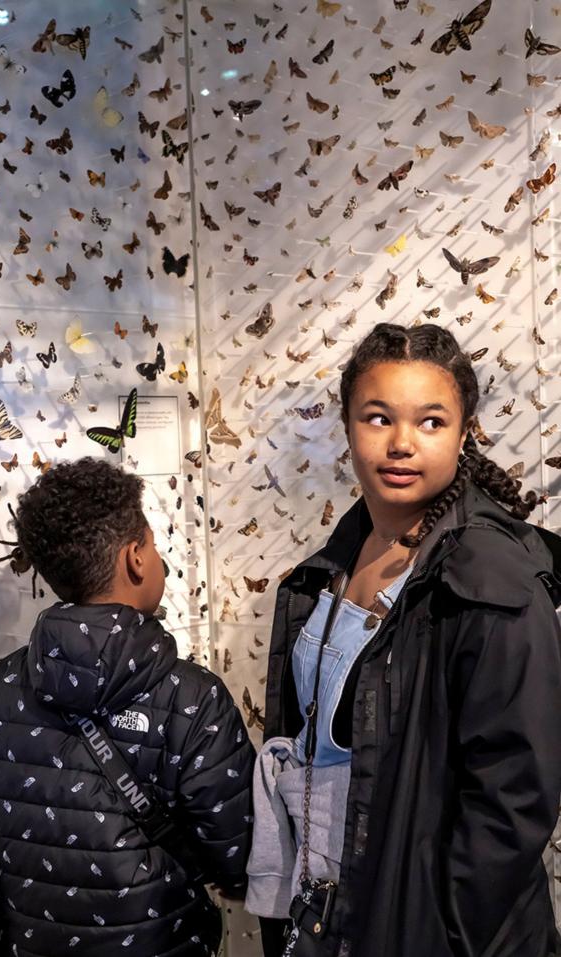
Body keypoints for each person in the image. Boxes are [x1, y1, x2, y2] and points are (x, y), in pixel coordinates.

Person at [246, 322, 561, 957]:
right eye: (378, 417)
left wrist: (447, 930)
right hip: (330, 904)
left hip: (429, 924)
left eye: (431, 422)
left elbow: (513, 796)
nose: (401, 444)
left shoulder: (492, 580)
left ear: (466, 431)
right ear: (346, 426)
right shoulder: (329, 562)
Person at [0, 457, 255, 957]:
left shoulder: (5, 686)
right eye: (155, 543)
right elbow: (235, 856)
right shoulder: (192, 696)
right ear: (136, 557)